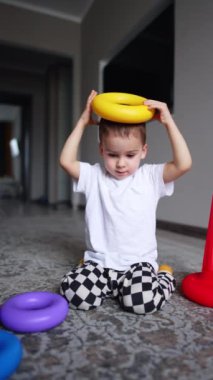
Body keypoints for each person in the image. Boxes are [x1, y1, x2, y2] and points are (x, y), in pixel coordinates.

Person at [59, 90, 192, 314]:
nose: (121, 164)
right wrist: (83, 121)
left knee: (142, 303)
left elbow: (183, 164)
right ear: (102, 150)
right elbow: (66, 161)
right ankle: (108, 283)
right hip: (100, 262)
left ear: (143, 152)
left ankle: (164, 276)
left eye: (130, 155)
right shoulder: (93, 176)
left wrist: (168, 121)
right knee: (74, 294)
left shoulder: (150, 177)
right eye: (112, 154)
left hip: (138, 263)